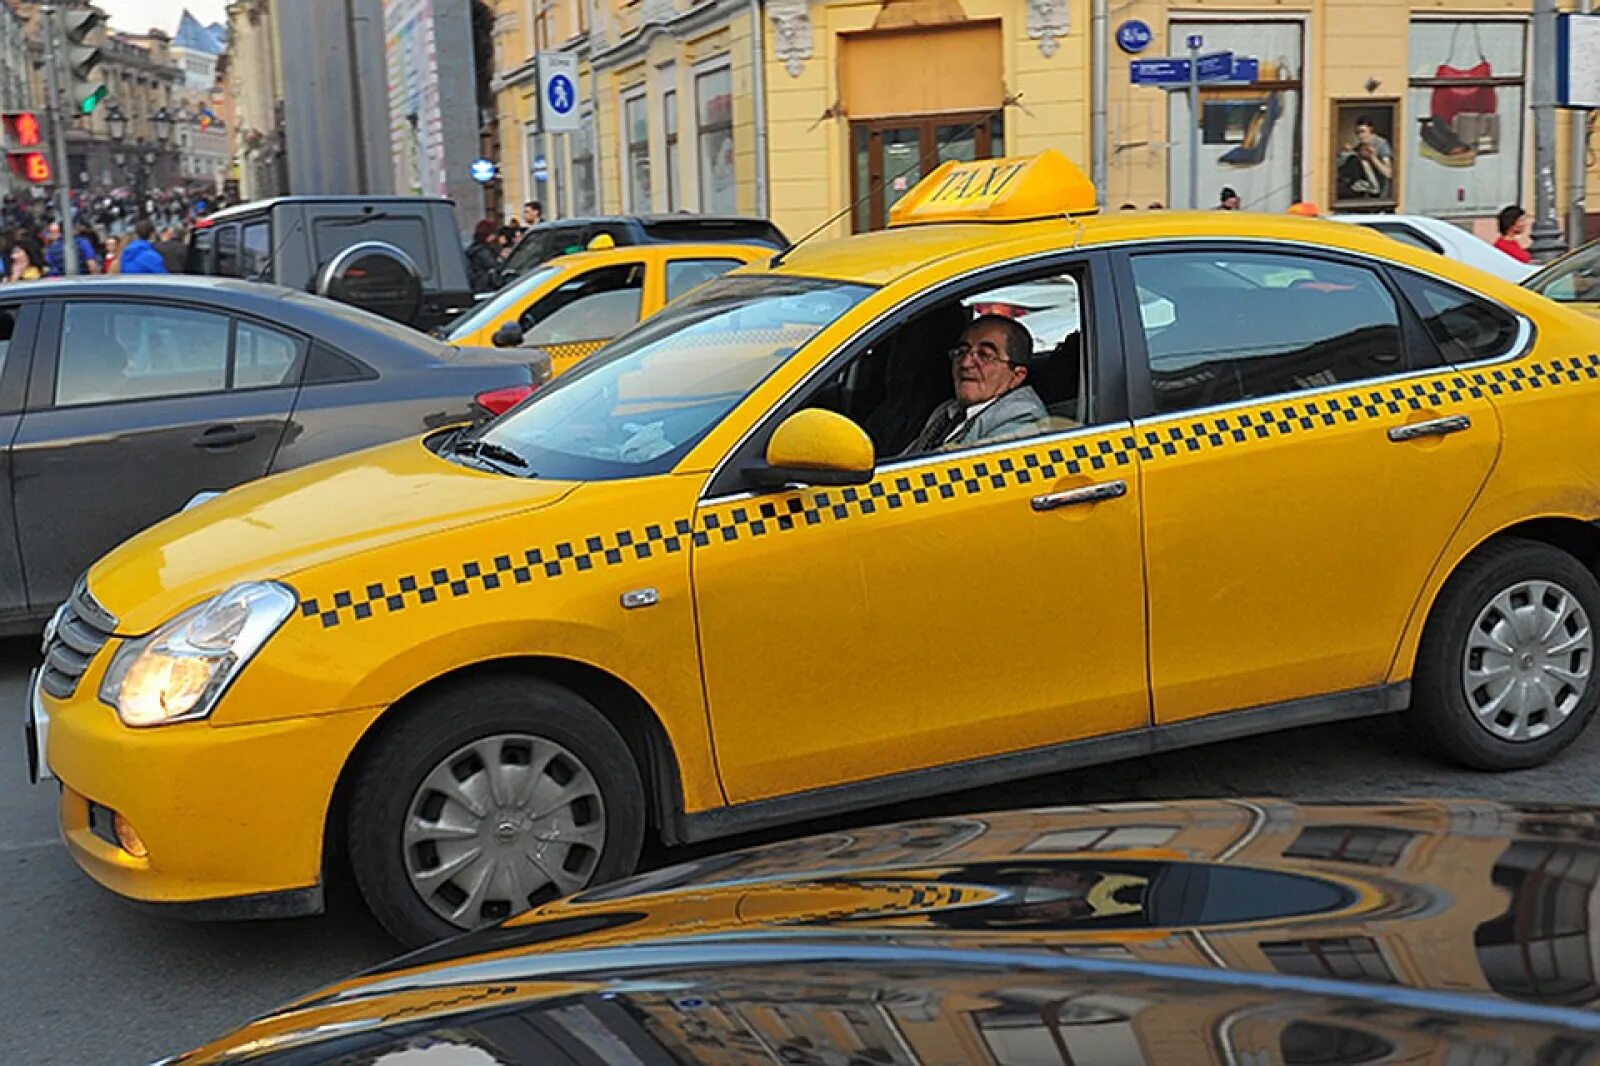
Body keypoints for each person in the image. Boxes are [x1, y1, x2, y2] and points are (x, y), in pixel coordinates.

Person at [902, 314, 1047, 456]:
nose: (965, 363)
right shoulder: (947, 411)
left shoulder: (1022, 421)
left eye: (985, 355)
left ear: (1016, 376)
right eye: (961, 352)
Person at [1336, 115, 1394, 201]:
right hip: (1365, 192)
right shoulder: (1360, 147)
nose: (1360, 136)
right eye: (1357, 133)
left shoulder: (1382, 145)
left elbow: (1388, 173)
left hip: (1382, 195)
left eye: (1362, 132)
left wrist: (1373, 157)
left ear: (1370, 130)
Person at [466, 218, 503, 290]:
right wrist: (502, 258)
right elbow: (495, 266)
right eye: (494, 233)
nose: (495, 236)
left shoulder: (475, 249)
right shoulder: (482, 252)